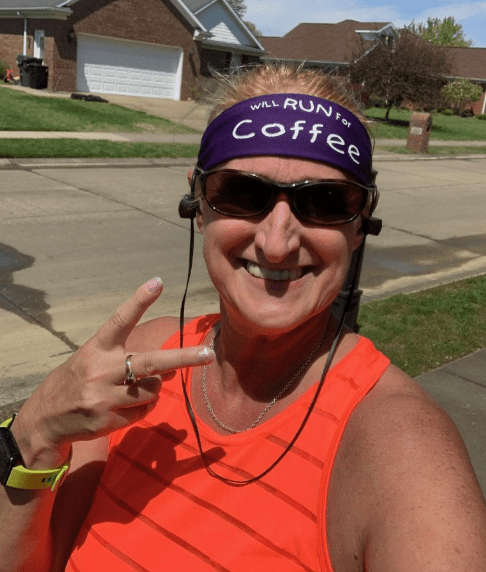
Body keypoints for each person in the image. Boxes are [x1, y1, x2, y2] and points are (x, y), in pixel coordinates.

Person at [1, 64, 486, 572]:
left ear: (362, 221)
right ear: (199, 203)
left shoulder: (404, 453)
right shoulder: (139, 363)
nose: (277, 244)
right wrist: (35, 432)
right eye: (243, 194)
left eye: (323, 202)